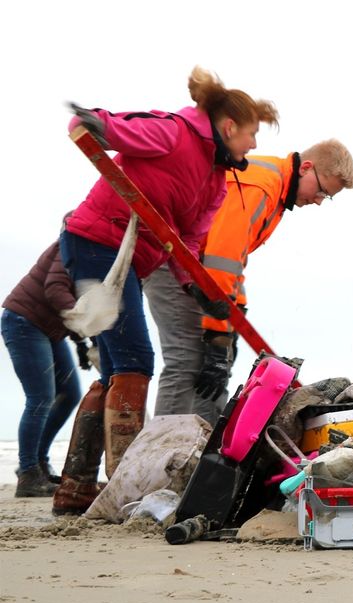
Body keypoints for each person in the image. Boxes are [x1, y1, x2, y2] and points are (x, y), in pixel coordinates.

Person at [52, 67, 279, 515]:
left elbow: (188, 244)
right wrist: (93, 121)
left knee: (117, 367)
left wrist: (199, 289)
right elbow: (112, 128)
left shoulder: (216, 179)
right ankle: (128, 485)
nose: (253, 146)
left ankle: (77, 489)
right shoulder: (174, 134)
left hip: (135, 259)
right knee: (136, 360)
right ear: (229, 126)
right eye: (251, 134)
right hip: (99, 242)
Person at [145, 139, 353, 424]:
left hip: (195, 269)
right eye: (321, 191)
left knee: (214, 366)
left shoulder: (276, 192)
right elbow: (220, 259)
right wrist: (218, 337)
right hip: (173, 261)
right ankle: (161, 453)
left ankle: (199, 446)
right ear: (306, 168)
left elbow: (234, 261)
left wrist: (236, 311)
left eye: (326, 197)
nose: (319, 201)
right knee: (187, 359)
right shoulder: (261, 186)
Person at [2, 239, 92, 497]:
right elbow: (55, 290)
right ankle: (28, 473)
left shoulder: (97, 251)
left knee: (71, 393)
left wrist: (80, 342)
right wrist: (83, 327)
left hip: (50, 329)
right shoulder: (72, 244)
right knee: (40, 398)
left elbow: (81, 299)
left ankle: (38, 463)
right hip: (23, 321)